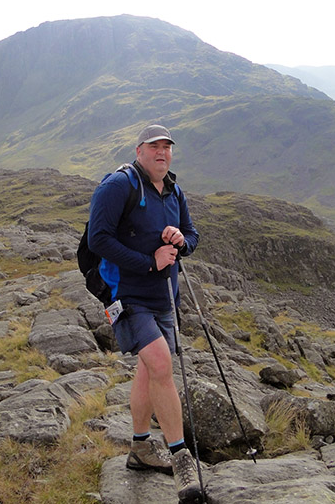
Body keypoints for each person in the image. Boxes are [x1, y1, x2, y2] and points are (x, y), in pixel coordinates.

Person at [87, 124, 203, 503]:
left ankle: (139, 447)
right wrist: (149, 263)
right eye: (154, 146)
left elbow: (192, 235)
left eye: (167, 147)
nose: (162, 152)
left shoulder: (173, 190)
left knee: (149, 369)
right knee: (160, 363)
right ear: (139, 151)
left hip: (165, 296)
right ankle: (181, 459)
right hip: (126, 293)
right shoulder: (119, 186)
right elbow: (98, 240)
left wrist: (181, 241)